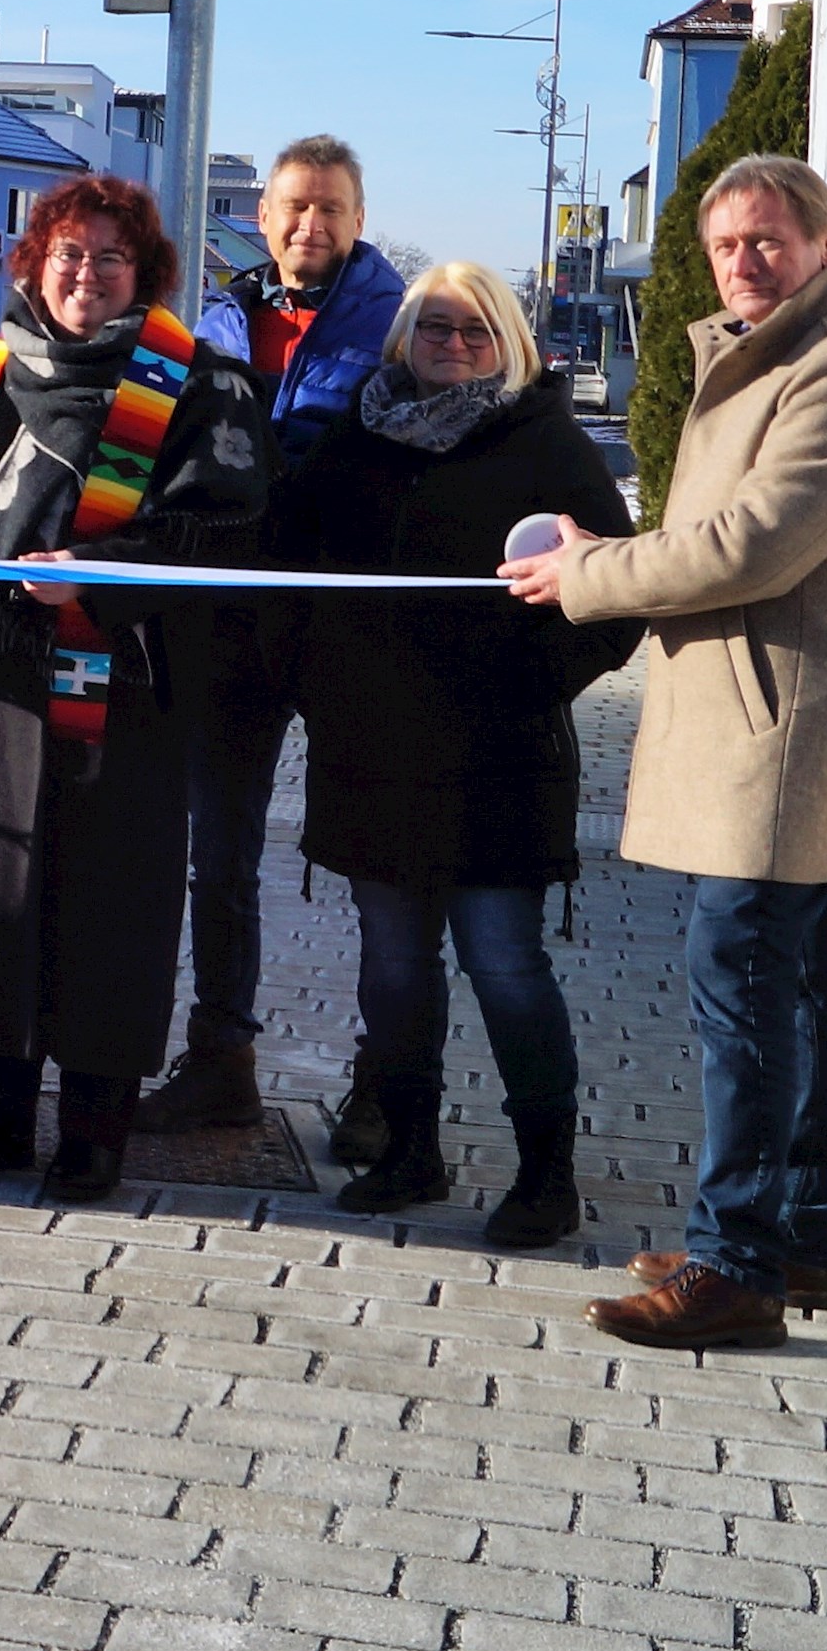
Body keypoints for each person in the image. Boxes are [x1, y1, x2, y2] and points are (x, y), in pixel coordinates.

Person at [508, 154, 827, 1349]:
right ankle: (790, 1237)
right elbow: (712, 530)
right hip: (776, 721)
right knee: (800, 987)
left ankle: (738, 1260)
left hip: (786, 732)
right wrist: (619, 544)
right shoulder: (790, 350)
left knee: (743, 985)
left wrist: (588, 574)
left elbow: (751, 546)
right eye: (725, 247)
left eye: (767, 241)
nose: (744, 263)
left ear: (826, 242)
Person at [0, 173, 270, 1202]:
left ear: (143, 275)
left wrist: (105, 577)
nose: (85, 275)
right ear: (33, 263)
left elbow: (232, 531)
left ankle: (93, 1134)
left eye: (110, 258)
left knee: (107, 913)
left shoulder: (201, 385)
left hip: (127, 695)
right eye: (67, 253)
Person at [275, 265, 636, 1237]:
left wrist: (531, 683)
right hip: (371, 751)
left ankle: (543, 1176)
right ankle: (406, 1152)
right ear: (402, 338)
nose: (452, 342)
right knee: (393, 965)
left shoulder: (544, 442)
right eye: (434, 326)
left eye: (476, 329)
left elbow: (617, 596)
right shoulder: (355, 437)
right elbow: (285, 573)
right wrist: (320, 687)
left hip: (498, 755)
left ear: (509, 342)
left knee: (504, 964)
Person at [146, 136, 407, 1136]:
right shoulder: (211, 326)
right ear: (261, 217)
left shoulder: (397, 324)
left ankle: (387, 1090)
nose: (311, 225)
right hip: (229, 631)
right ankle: (222, 1058)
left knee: (379, 862)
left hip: (350, 631)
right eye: (294, 207)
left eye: (330, 209)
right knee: (219, 856)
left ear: (356, 218)